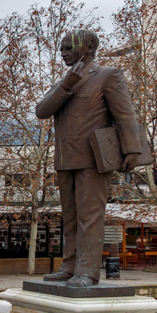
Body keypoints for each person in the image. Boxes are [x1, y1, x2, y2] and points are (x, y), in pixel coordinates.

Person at [36, 29, 142, 287]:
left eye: (69, 47)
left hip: (93, 158)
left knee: (90, 215)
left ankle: (88, 270)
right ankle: (70, 266)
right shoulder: (65, 80)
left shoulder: (108, 75)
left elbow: (125, 115)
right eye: (61, 49)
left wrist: (132, 150)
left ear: (90, 46)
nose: (64, 53)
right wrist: (66, 85)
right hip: (65, 159)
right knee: (70, 216)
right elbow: (42, 111)